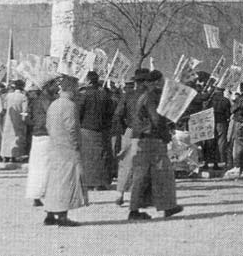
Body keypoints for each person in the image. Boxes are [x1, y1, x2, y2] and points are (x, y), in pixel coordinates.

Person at [128, 70, 183, 220]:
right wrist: (165, 135)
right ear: (157, 82)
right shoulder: (152, 97)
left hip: (144, 139)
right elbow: (156, 119)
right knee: (163, 173)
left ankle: (136, 209)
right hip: (153, 139)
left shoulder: (143, 96)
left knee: (143, 175)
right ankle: (167, 206)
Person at [41, 76, 87, 226]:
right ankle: (62, 215)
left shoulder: (54, 104)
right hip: (67, 148)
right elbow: (72, 128)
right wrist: (76, 145)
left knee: (53, 181)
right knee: (66, 182)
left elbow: (48, 125)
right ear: (72, 89)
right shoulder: (69, 105)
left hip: (54, 145)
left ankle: (49, 214)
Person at [112, 70, 149, 206]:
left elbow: (118, 114)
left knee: (125, 164)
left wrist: (125, 129)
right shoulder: (149, 96)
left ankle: (119, 193)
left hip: (129, 131)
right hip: (146, 133)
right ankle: (140, 196)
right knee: (143, 165)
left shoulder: (128, 95)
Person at [78, 71, 115, 191]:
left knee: (87, 157)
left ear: (88, 81)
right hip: (102, 129)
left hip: (86, 128)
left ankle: (89, 182)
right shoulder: (104, 94)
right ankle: (100, 183)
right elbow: (110, 112)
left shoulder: (83, 94)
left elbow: (79, 112)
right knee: (101, 156)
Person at [26, 78, 57, 207]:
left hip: (37, 134)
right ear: (47, 86)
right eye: (54, 85)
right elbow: (52, 117)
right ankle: (44, 193)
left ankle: (36, 195)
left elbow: (29, 119)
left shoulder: (36, 101)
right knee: (46, 166)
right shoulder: (47, 100)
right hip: (46, 135)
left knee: (36, 166)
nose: (57, 87)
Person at [0, 80, 28, 162]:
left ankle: (5, 155)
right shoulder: (23, 97)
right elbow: (24, 111)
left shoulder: (8, 95)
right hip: (18, 119)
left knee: (7, 137)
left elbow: (4, 107)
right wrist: (24, 120)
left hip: (8, 119)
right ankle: (15, 155)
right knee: (17, 137)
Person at [209, 85, 232, 170]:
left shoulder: (211, 100)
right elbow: (228, 113)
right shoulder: (225, 100)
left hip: (211, 122)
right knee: (221, 142)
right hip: (222, 122)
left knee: (212, 142)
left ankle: (213, 162)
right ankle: (222, 161)